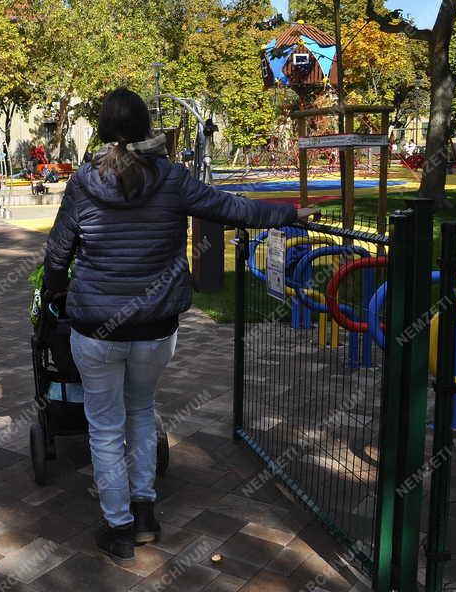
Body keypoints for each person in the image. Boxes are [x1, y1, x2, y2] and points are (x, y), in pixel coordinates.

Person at [44, 88, 317, 564]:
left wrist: (53, 291)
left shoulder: (84, 182)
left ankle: (119, 526)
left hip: (96, 327)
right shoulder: (172, 177)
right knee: (142, 412)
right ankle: (145, 513)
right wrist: (289, 214)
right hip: (155, 326)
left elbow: (57, 254)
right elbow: (232, 209)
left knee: (105, 428)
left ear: (104, 129)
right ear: (148, 125)